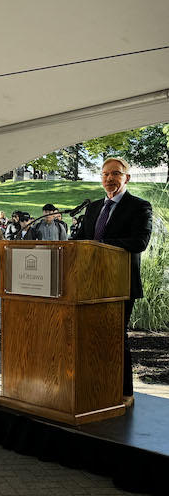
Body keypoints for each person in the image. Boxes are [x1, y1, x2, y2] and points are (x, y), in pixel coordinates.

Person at [74, 157, 153, 405]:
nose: (109, 179)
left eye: (115, 174)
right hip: (89, 284)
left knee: (117, 338)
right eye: (105, 174)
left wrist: (100, 246)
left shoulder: (139, 206)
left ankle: (125, 392)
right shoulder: (94, 207)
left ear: (126, 178)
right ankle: (98, 387)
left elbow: (139, 242)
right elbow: (80, 239)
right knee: (91, 337)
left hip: (120, 284)